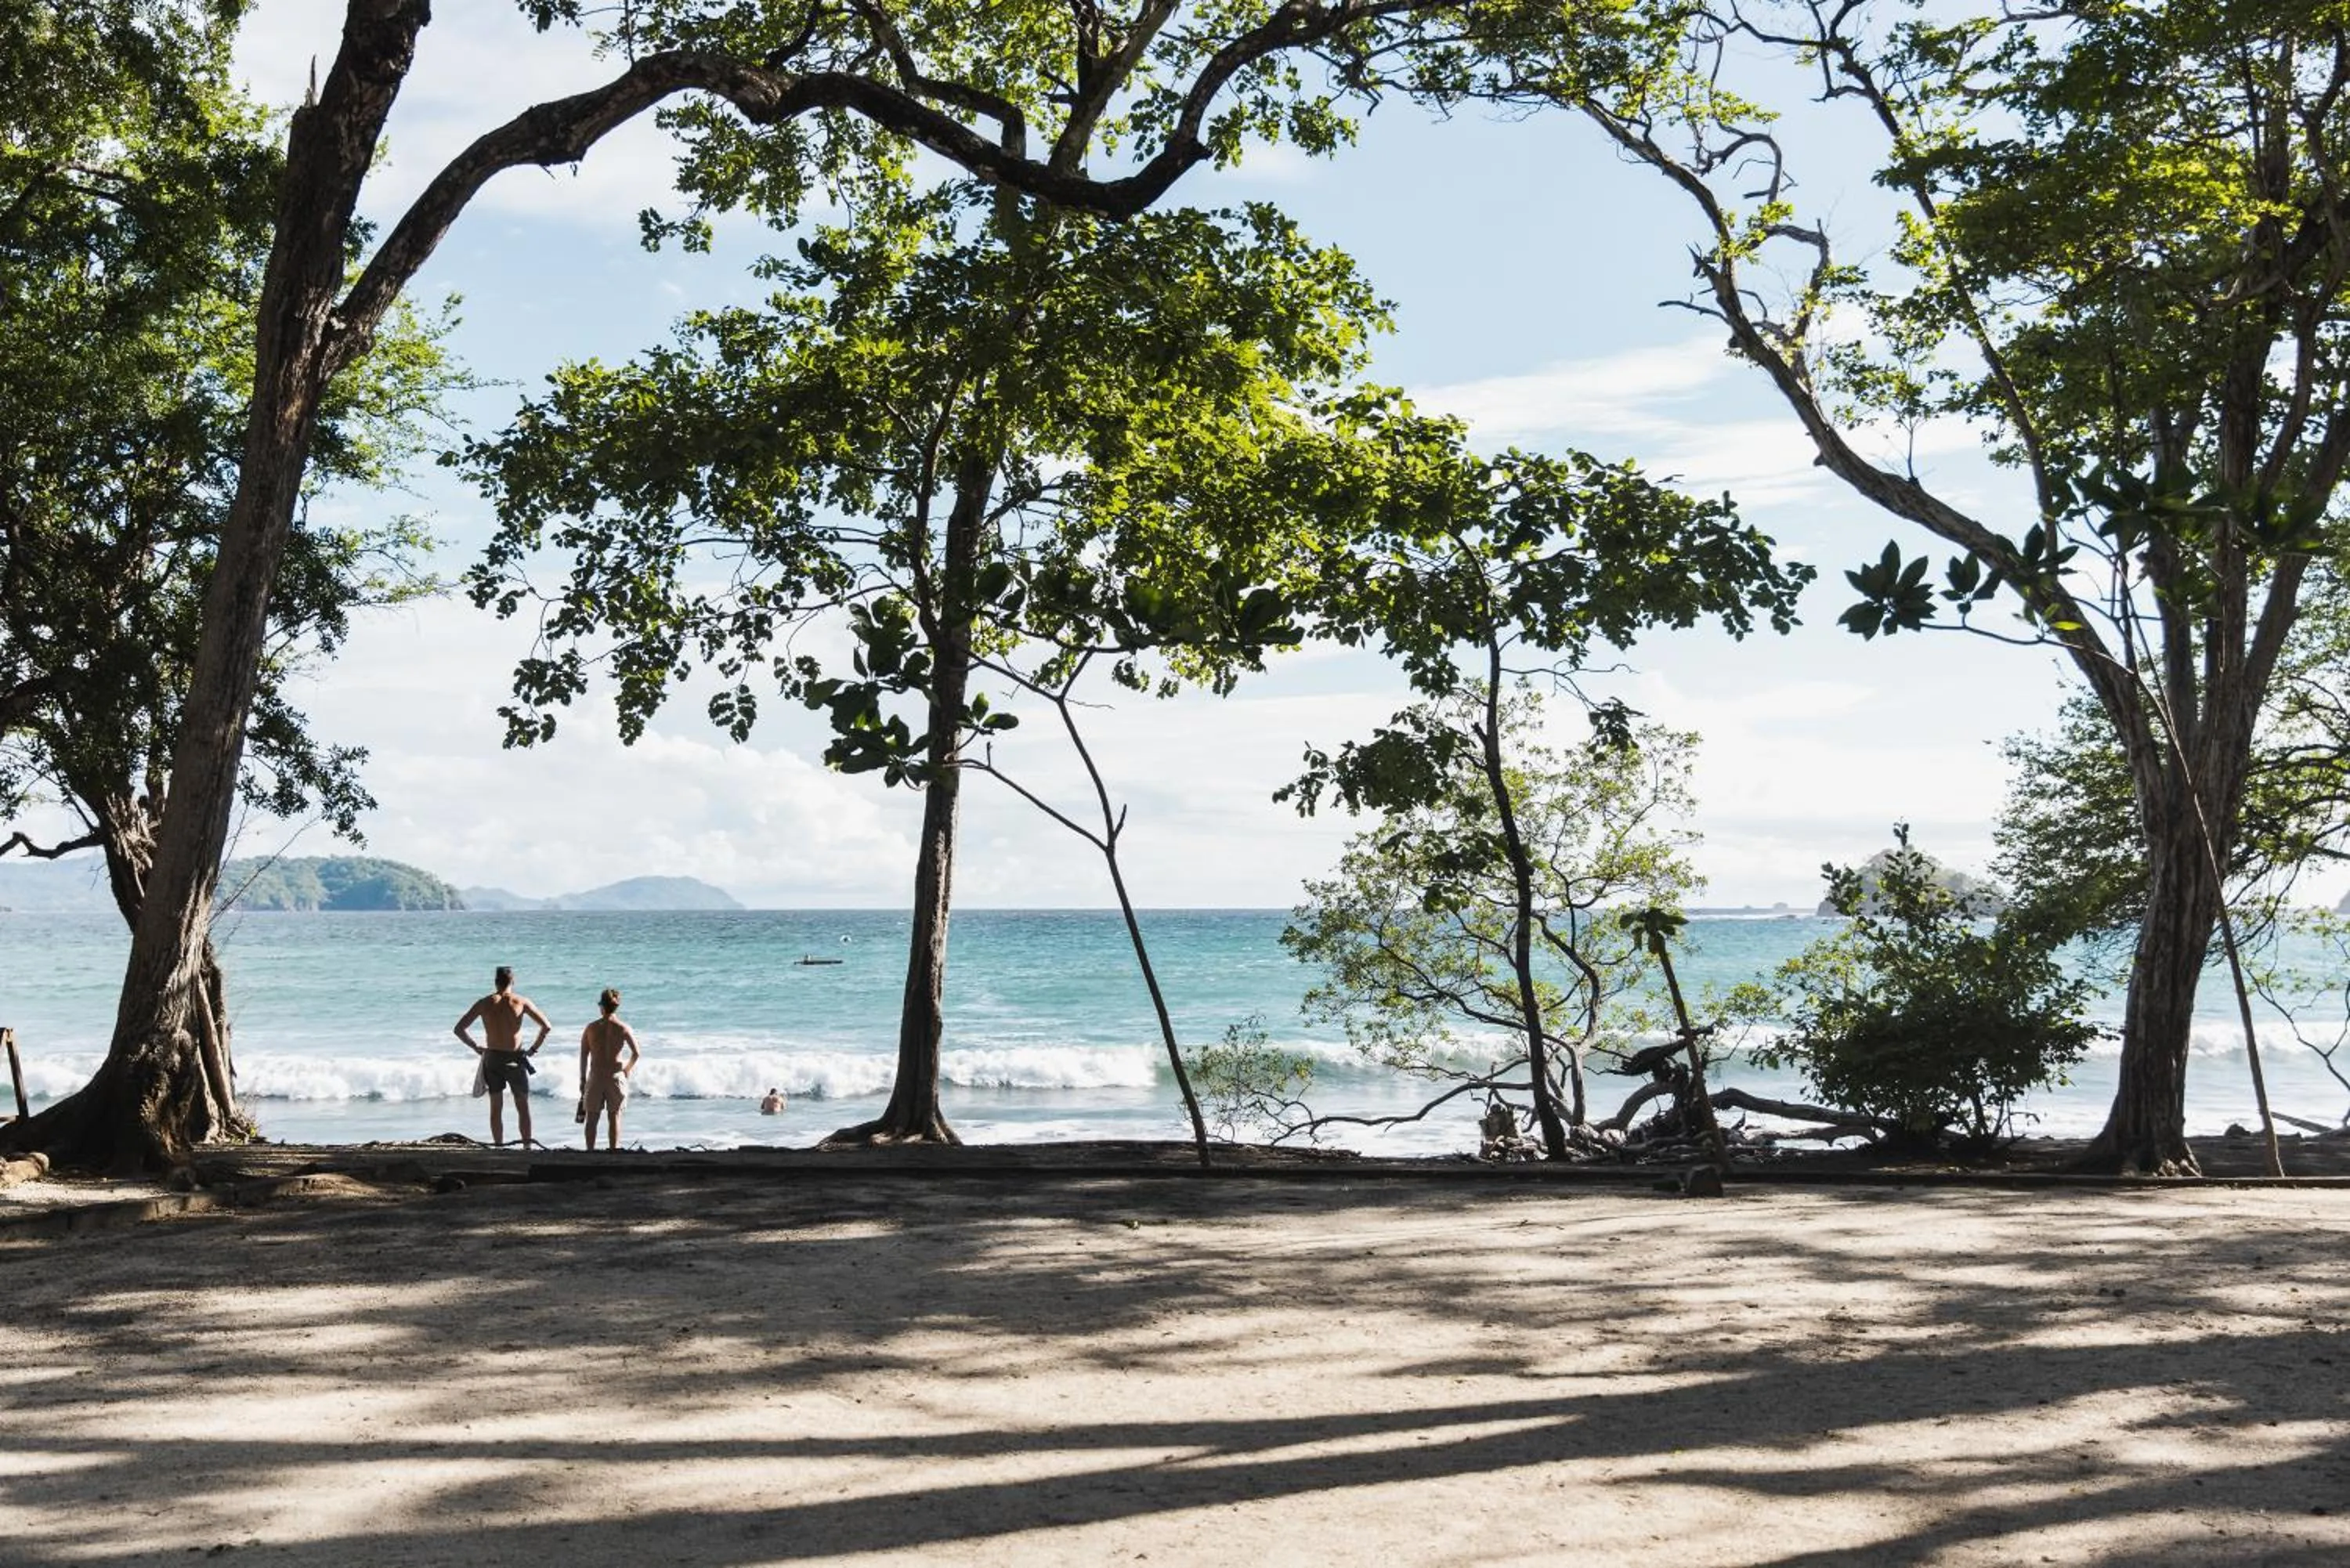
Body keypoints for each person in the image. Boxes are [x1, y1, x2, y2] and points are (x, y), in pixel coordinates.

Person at [454, 966, 553, 1148]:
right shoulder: (521, 1002)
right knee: (522, 1106)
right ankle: (527, 1147)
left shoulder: (484, 1003)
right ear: (513, 982)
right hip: (515, 1058)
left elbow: (459, 1029)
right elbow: (546, 1027)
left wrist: (476, 1047)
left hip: (492, 1058)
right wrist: (533, 1050)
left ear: (495, 982)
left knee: (496, 1107)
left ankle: (499, 1146)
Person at [578, 986, 641, 1151]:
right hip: (615, 1076)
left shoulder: (591, 1028)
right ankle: (613, 1151)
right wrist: (627, 1070)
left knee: (592, 1118)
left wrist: (583, 1079)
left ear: (602, 1007)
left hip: (596, 1077)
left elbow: (584, 1055)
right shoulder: (623, 1028)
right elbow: (636, 1053)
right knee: (614, 1117)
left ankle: (590, 1152)